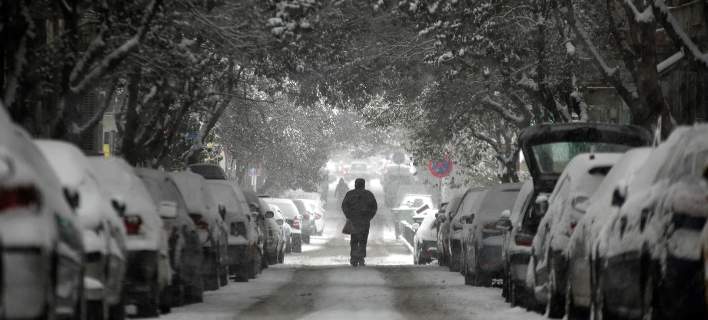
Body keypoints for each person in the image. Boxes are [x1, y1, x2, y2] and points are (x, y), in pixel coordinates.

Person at [341, 178, 377, 267]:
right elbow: (374, 207)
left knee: (354, 240)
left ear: (355, 184)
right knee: (363, 240)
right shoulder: (369, 194)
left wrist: (348, 215)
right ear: (364, 184)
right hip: (365, 222)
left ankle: (354, 258)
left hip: (353, 221)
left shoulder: (350, 194)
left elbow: (344, 206)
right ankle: (361, 258)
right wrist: (369, 217)